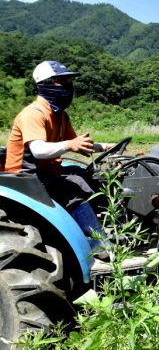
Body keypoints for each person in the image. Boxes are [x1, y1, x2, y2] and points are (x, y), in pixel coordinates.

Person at [5, 61, 115, 258]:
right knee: (74, 184)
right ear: (45, 84)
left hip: (47, 173)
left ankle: (107, 226)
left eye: (69, 81)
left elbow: (77, 143)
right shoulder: (33, 114)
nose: (68, 86)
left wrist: (106, 147)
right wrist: (69, 145)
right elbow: (38, 150)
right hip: (25, 178)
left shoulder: (60, 115)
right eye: (62, 81)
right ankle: (98, 242)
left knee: (90, 176)